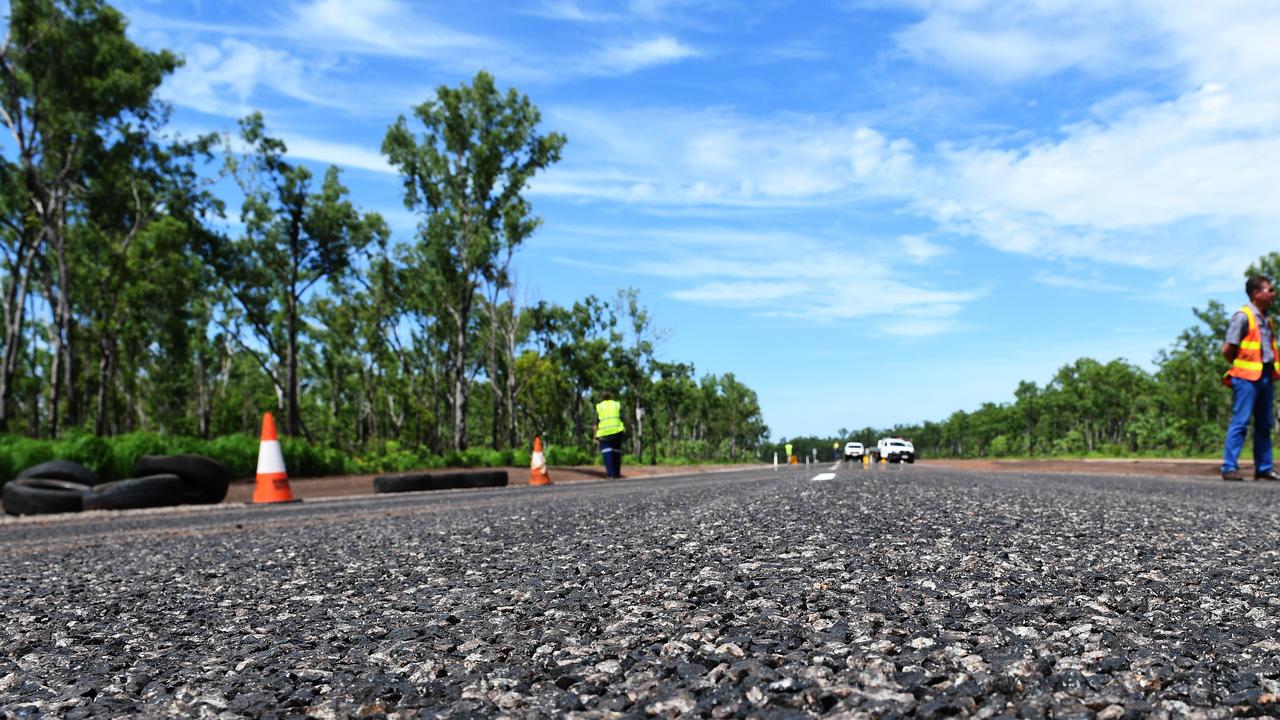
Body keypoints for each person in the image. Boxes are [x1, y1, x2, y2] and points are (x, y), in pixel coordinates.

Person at [1221, 275, 1280, 482]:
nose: (1273, 294)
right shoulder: (1243, 316)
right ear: (1256, 293)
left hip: (1265, 376)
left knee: (1264, 424)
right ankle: (1229, 467)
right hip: (1246, 378)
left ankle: (1263, 468)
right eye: (1269, 290)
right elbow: (1228, 349)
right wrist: (1242, 366)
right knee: (1241, 421)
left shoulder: (1268, 319)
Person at [595, 391, 626, 479]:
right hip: (617, 431)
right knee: (616, 452)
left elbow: (596, 423)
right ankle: (616, 473)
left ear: (602, 398)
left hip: (604, 433)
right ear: (611, 396)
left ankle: (610, 474)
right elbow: (623, 418)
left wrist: (595, 435)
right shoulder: (616, 404)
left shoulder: (599, 406)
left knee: (607, 453)